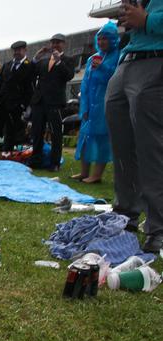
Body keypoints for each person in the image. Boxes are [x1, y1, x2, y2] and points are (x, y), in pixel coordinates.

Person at [106, 0, 163, 253]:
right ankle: (124, 216)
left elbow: (147, 19)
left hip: (156, 59)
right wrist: (128, 18)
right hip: (128, 59)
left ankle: (158, 228)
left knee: (150, 149)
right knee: (122, 146)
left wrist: (147, 20)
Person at [72, 23, 120, 184]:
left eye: (105, 38)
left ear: (113, 39)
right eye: (99, 39)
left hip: (106, 104)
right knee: (85, 138)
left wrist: (103, 67)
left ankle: (97, 175)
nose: (101, 42)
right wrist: (83, 106)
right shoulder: (92, 58)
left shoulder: (118, 57)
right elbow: (85, 84)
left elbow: (117, 80)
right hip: (90, 105)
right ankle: (84, 172)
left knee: (101, 139)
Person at [29, 34, 75, 170]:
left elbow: (69, 76)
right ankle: (36, 159)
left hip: (55, 102)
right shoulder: (43, 61)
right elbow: (32, 72)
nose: (55, 45)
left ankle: (54, 163)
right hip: (39, 101)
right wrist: (36, 57)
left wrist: (59, 61)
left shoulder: (68, 60)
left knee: (56, 133)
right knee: (37, 132)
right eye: (53, 43)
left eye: (58, 43)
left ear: (63, 44)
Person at [0, 41, 34, 160]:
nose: (17, 52)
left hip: (16, 105)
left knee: (10, 132)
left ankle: (6, 156)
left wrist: (24, 105)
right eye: (15, 50)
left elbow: (30, 88)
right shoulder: (7, 65)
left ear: (25, 50)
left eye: (19, 50)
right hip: (1, 103)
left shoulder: (29, 66)